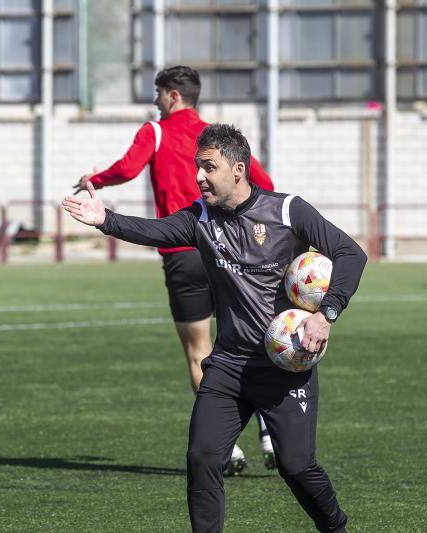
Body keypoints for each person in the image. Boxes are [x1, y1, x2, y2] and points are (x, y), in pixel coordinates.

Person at [64, 124, 366, 532]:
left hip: (285, 366)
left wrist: (325, 314)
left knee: (296, 467)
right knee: (203, 457)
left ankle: (335, 527)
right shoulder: (199, 218)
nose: (199, 177)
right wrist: (106, 220)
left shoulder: (287, 210)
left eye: (209, 167)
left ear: (238, 169)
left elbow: (350, 253)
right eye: (197, 167)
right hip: (228, 367)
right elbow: (156, 231)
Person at [74, 66, 276, 474]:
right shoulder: (219, 140)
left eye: (157, 93)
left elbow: (128, 169)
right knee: (248, 341)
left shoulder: (156, 131)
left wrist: (91, 179)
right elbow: (264, 183)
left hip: (183, 252)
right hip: (230, 250)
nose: (155, 101)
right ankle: (270, 430)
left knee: (200, 352)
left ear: (172, 95)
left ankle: (228, 448)